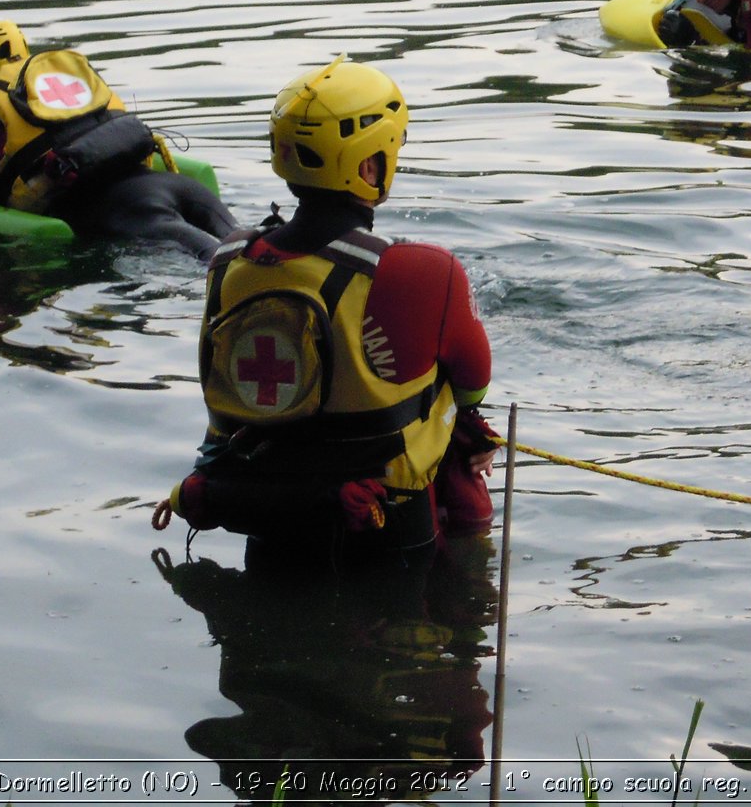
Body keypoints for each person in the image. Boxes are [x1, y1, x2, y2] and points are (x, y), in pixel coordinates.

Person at [157, 57, 499, 571]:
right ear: (368, 166)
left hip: (266, 517)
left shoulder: (228, 262)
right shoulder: (421, 270)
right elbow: (473, 385)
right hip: (385, 530)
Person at [0, 18, 237, 256]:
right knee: (250, 242)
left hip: (127, 213)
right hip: (177, 188)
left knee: (218, 263)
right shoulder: (67, 75)